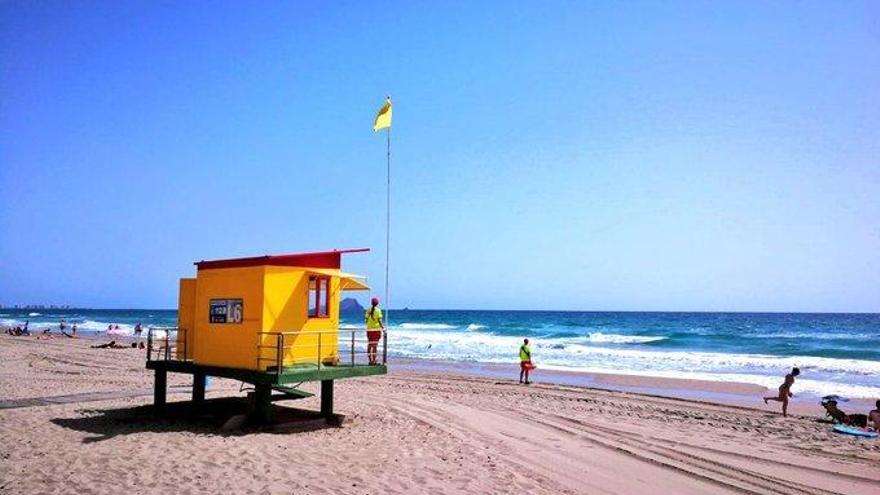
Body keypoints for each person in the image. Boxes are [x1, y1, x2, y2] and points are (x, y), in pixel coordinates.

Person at [364, 297, 384, 365]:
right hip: (376, 330)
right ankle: (374, 360)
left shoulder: (368, 310)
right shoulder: (378, 310)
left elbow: (366, 320)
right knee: (375, 346)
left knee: (370, 344)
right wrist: (383, 328)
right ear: (377, 303)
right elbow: (380, 320)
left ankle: (370, 360)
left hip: (369, 329)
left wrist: (369, 324)